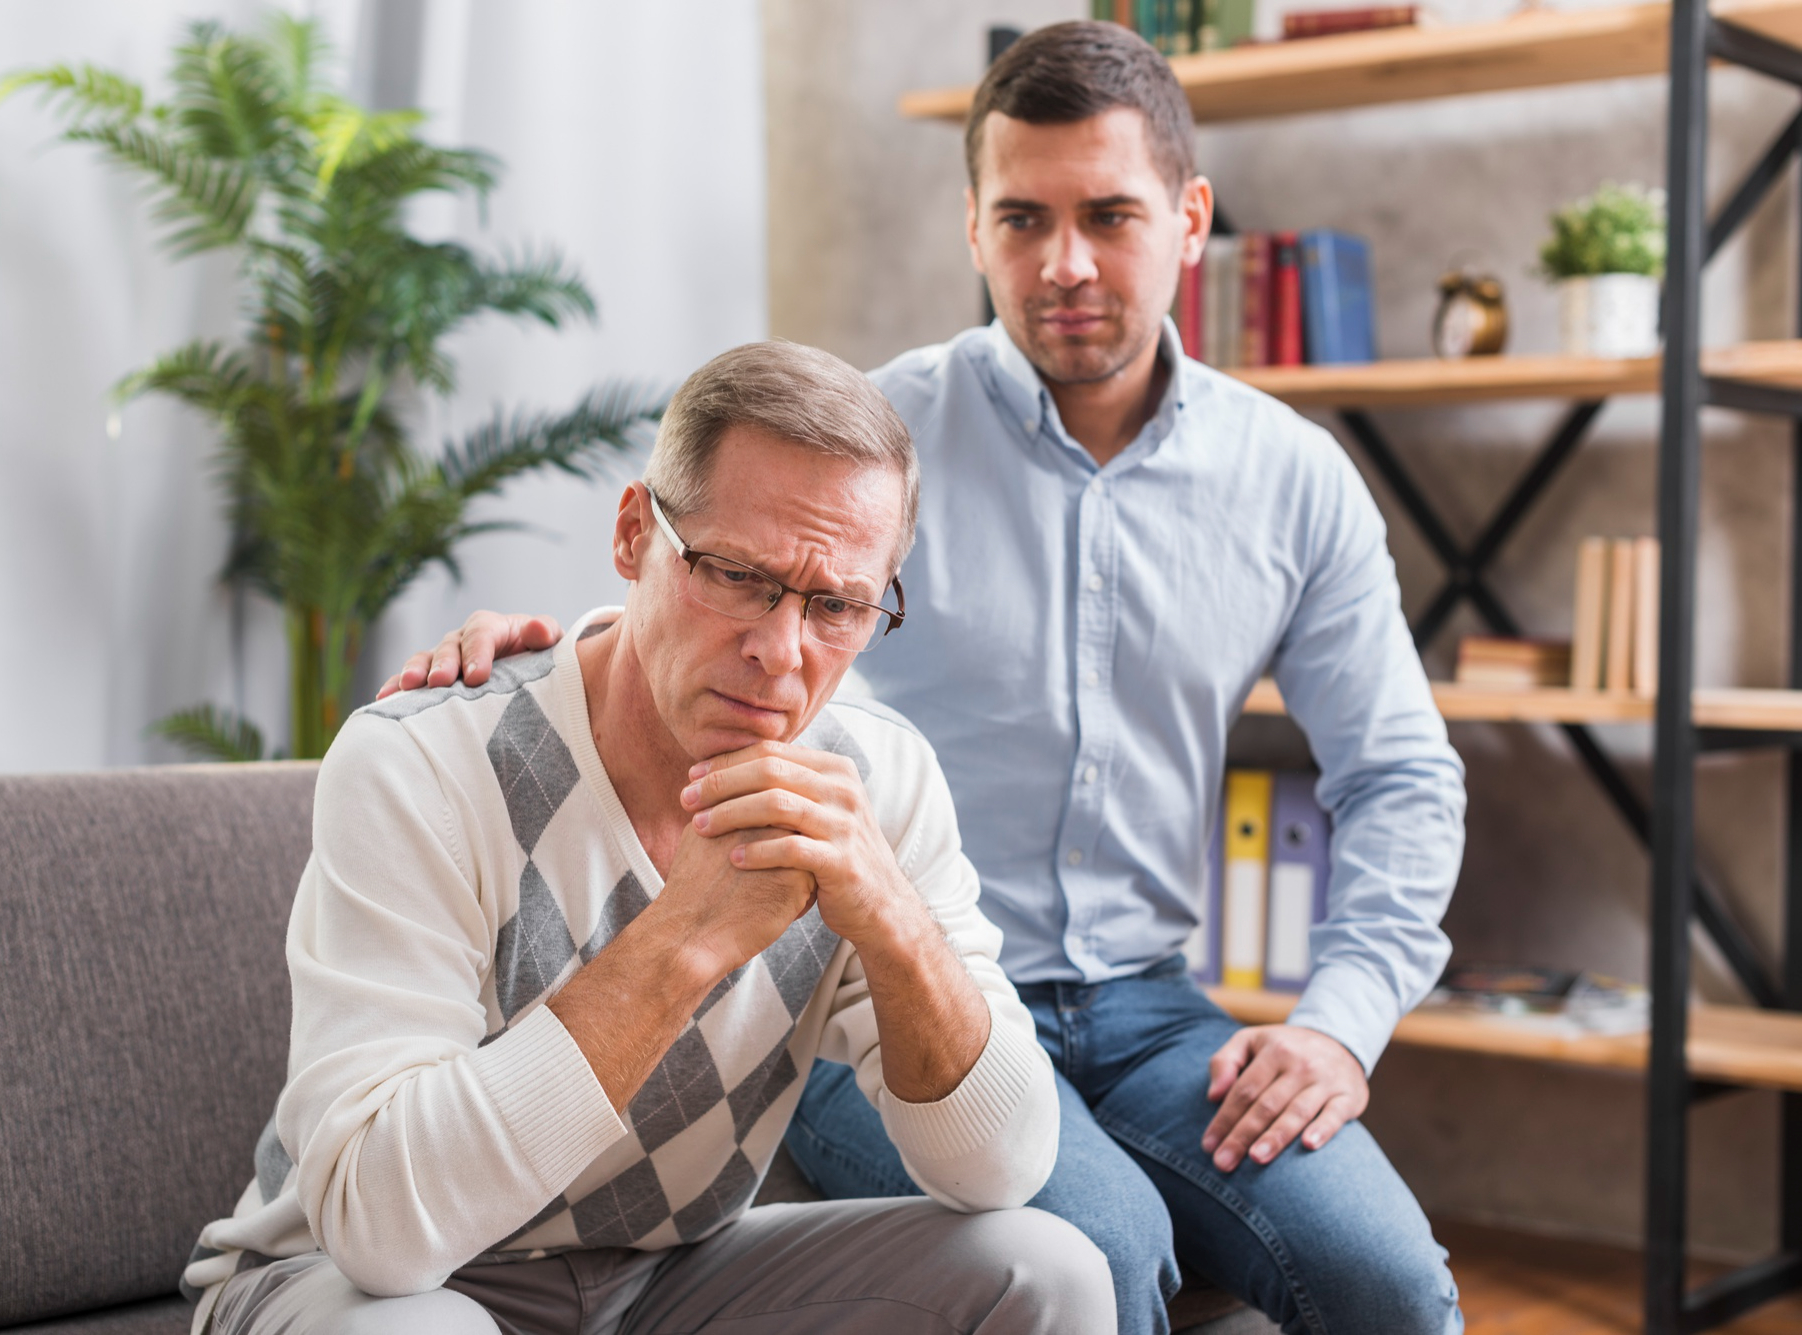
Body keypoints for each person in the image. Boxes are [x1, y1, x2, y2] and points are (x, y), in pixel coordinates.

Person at [382, 21, 1467, 1335]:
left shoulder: (1293, 480)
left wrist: (1340, 1023)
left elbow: (1402, 772)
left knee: (1396, 1282)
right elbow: (724, 593)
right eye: (1023, 218)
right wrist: (547, 643)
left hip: (1154, 1010)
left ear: (1189, 220)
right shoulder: (878, 446)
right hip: (886, 982)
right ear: (971, 227)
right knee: (1099, 1247)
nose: (1063, 263)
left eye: (1109, 215)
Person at [187, 341, 1113, 1335]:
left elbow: (1001, 1165)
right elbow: (380, 1230)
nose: (779, 653)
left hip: (665, 1277)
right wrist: (683, 940)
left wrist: (889, 916)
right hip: (356, 1287)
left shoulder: (872, 780)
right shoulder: (424, 761)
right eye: (734, 575)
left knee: (1042, 1270)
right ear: (634, 535)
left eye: (837, 605)